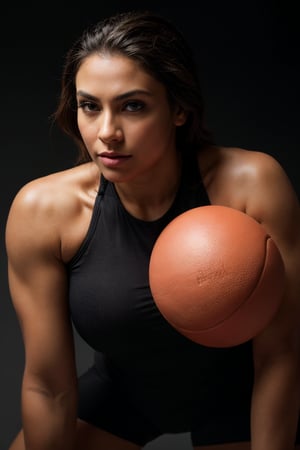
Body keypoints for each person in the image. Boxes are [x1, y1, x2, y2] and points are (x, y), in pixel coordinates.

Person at [5, 9, 300, 450]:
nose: (107, 133)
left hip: (243, 395)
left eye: (133, 106)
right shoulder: (43, 211)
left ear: (179, 109)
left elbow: (281, 354)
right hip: (126, 396)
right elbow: (49, 386)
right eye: (90, 106)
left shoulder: (251, 185)